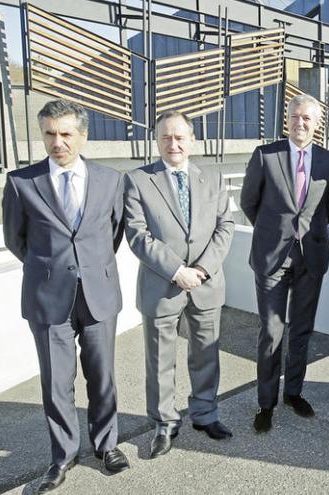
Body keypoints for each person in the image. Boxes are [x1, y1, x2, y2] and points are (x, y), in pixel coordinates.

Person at [2, 99, 130, 492]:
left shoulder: (111, 179)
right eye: (50, 134)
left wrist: (86, 267)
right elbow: (15, 239)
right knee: (57, 382)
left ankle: (106, 445)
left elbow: (115, 232)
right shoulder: (21, 182)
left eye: (66, 133)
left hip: (98, 295)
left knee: (102, 376)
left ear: (83, 135)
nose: (58, 142)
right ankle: (62, 456)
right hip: (47, 297)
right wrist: (53, 269)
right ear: (42, 134)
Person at [124, 111, 235, 458]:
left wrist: (200, 269)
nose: (174, 144)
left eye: (180, 137)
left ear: (192, 140)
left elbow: (225, 227)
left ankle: (205, 413)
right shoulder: (137, 180)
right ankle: (164, 423)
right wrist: (177, 270)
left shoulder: (214, 180)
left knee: (206, 355)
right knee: (160, 361)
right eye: (166, 138)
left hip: (206, 283)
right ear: (156, 141)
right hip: (162, 286)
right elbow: (137, 235)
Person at [239, 94, 329, 433]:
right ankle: (266, 403)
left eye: (307, 118)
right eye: (295, 116)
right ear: (288, 119)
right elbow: (249, 203)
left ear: (317, 123)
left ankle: (293, 392)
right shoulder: (266, 155)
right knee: (271, 331)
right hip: (271, 258)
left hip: (310, 256)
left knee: (301, 329)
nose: (300, 123)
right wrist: (274, 233)